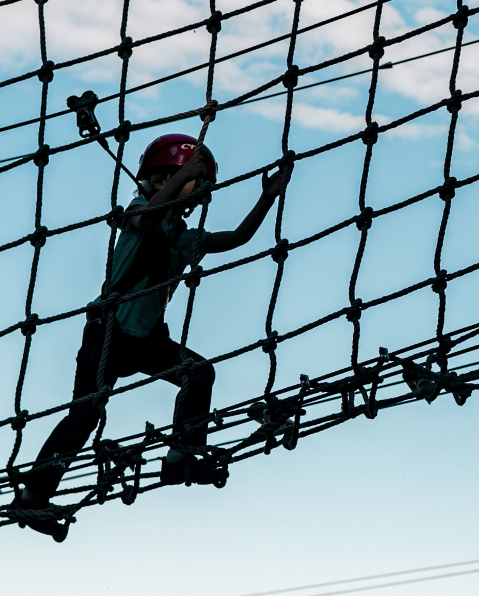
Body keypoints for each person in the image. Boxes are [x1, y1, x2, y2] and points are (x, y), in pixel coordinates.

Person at [17, 134, 291, 535]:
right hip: (106, 333)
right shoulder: (139, 212)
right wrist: (186, 173)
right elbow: (146, 222)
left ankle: (181, 456)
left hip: (146, 341)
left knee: (198, 373)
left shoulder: (182, 238)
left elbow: (236, 238)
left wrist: (267, 198)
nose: (203, 192)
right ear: (163, 181)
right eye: (198, 182)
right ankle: (32, 497)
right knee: (84, 416)